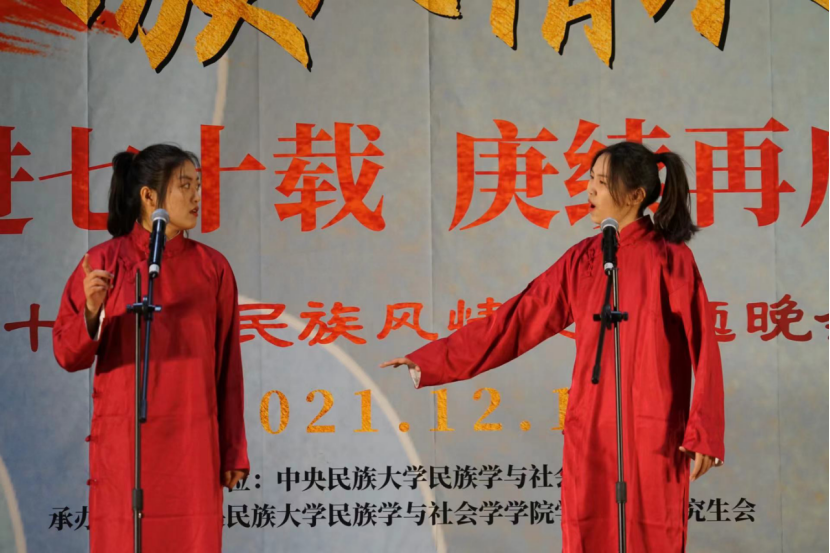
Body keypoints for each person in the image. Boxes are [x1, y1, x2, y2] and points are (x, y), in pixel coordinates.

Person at [382, 142, 725, 552]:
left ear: (635, 195)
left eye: (602, 182)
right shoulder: (582, 260)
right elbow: (515, 321)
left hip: (653, 427)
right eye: (591, 179)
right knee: (589, 533)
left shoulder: (671, 259)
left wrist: (704, 430)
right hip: (592, 426)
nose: (589, 189)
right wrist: (432, 360)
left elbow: (704, 345)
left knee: (652, 534)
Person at [52, 144, 250, 553]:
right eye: (185, 186)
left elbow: (228, 367)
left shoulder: (213, 268)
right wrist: (92, 311)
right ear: (149, 196)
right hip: (126, 444)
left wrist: (233, 450)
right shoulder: (103, 263)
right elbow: (68, 355)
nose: (197, 197)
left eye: (198, 186)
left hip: (193, 444)